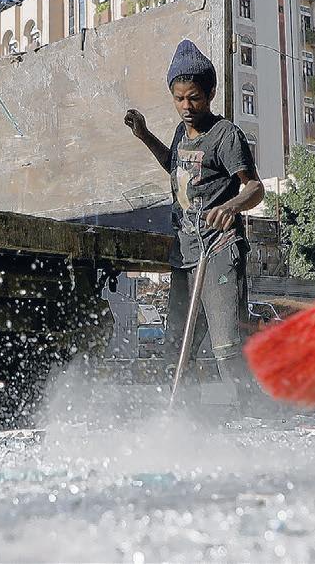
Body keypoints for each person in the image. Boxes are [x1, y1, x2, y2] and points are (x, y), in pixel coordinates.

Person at [125, 39, 266, 407]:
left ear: (211, 94)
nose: (187, 107)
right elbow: (176, 166)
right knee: (177, 347)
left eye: (195, 98)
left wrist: (232, 206)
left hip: (218, 251)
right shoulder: (180, 133)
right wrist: (145, 136)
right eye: (179, 99)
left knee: (226, 347)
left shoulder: (225, 135)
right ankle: (187, 418)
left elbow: (255, 188)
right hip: (186, 254)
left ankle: (255, 412)